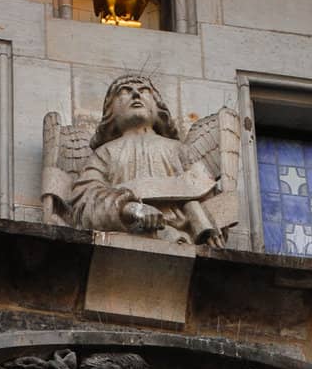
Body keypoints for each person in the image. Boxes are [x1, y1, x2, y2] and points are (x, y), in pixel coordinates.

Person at [68, 74, 220, 244]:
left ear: (157, 106)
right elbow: (85, 203)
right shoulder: (104, 153)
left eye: (144, 90)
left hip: (180, 239)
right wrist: (130, 208)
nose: (135, 95)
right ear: (111, 110)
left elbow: (206, 196)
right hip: (122, 240)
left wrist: (208, 228)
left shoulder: (180, 151)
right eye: (125, 91)